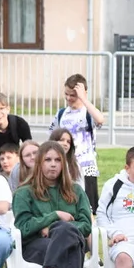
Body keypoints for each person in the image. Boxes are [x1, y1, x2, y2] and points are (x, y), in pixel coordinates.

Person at [14, 141, 93, 268]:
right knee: (68, 250)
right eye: (48, 160)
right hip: (36, 246)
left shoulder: (75, 191)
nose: (53, 164)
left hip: (72, 241)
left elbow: (86, 225)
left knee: (65, 236)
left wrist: (58, 228)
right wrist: (54, 216)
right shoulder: (24, 192)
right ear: (39, 163)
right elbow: (23, 228)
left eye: (58, 160)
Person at [49, 74, 105, 214]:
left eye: (73, 95)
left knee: (88, 208)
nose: (68, 98)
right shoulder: (62, 113)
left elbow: (100, 120)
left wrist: (84, 100)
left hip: (86, 167)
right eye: (66, 94)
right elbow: (52, 137)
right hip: (65, 166)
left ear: (83, 93)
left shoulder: (88, 112)